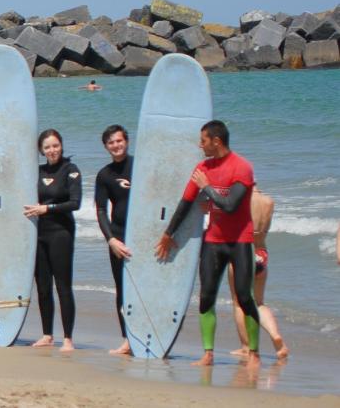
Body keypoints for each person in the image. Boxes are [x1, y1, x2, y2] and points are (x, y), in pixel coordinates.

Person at [155, 119, 261, 368]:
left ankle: (254, 353)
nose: (199, 145)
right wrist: (169, 233)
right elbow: (186, 202)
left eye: (203, 140)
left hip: (240, 240)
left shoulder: (241, 167)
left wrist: (207, 186)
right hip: (213, 240)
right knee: (206, 297)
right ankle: (208, 353)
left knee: (245, 297)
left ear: (216, 141)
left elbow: (230, 206)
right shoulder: (202, 167)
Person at [25, 129, 81, 352]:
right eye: (47, 147)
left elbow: (75, 203)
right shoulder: (35, 172)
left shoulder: (70, 170)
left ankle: (68, 338)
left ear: (61, 145)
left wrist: (46, 208)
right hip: (39, 234)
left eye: (55, 145)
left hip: (61, 233)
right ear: (41, 150)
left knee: (63, 286)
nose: (52, 150)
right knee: (43, 286)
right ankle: (47, 334)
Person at [228, 187, 289, 358]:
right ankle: (276, 337)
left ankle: (246, 347)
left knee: (239, 303)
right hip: (261, 253)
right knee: (259, 302)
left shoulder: (241, 200)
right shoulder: (269, 202)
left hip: (242, 252)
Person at [94, 125, 133, 355]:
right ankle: (127, 339)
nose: (116, 145)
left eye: (119, 141)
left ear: (126, 141)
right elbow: (100, 210)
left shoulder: (140, 166)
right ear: (106, 146)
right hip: (118, 238)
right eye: (111, 143)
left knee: (144, 288)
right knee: (122, 289)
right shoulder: (105, 175)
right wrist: (111, 240)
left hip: (141, 237)